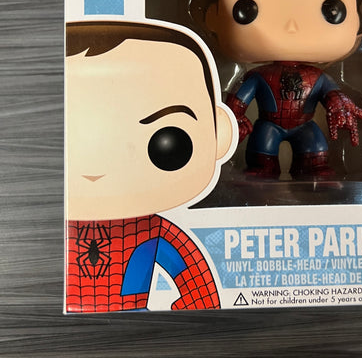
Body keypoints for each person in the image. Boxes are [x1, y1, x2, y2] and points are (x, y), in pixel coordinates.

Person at [65, 20, 236, 312]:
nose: (98, 168)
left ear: (219, 134)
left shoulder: (151, 230)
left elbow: (194, 279)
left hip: (137, 322)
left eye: (167, 142)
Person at [205, 0, 362, 179]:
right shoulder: (260, 75)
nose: (291, 26)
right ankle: (263, 172)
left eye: (332, 8)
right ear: (212, 17)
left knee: (316, 160)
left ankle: (315, 173)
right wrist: (233, 118)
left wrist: (339, 104)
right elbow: (238, 100)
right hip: (268, 125)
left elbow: (332, 95)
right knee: (261, 164)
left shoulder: (317, 77)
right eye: (246, 8)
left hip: (305, 126)